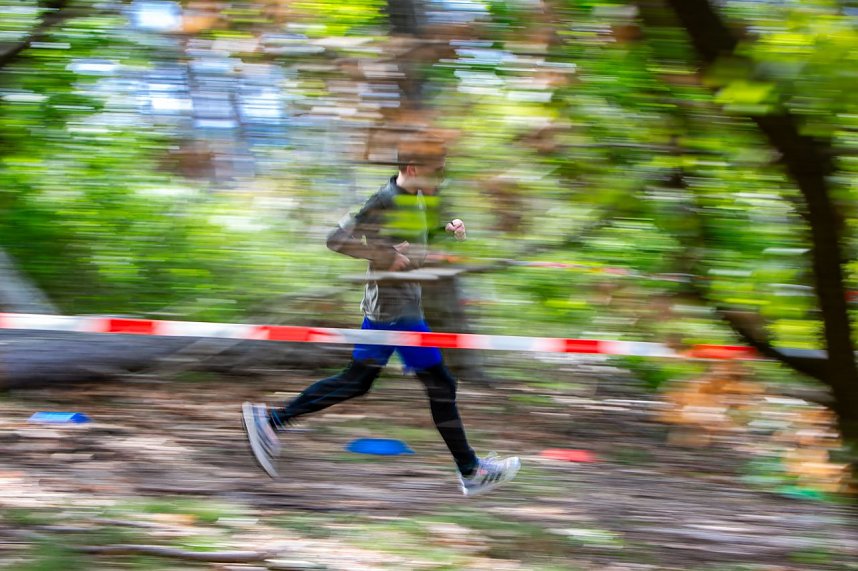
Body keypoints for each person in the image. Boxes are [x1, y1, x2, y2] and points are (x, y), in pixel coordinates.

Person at [242, 138, 520, 496]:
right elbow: (336, 239)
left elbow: (408, 234)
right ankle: (470, 470)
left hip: (396, 308)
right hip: (396, 312)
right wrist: (385, 256)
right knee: (441, 385)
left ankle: (271, 420)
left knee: (357, 381)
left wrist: (444, 228)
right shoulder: (382, 201)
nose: (442, 179)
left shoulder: (415, 196)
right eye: (437, 172)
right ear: (412, 169)